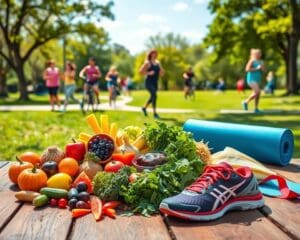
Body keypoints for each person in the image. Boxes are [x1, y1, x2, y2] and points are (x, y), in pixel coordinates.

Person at [139, 49, 165, 119]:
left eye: (156, 53)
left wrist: (162, 72)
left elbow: (161, 73)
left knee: (153, 96)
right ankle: (155, 113)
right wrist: (148, 73)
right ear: (150, 54)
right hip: (148, 82)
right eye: (153, 53)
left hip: (155, 82)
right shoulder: (147, 62)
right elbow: (140, 71)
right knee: (154, 95)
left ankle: (144, 108)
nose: (155, 55)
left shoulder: (158, 62)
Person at [243, 49, 265, 113]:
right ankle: (245, 101)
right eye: (258, 53)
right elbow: (247, 69)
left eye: (260, 53)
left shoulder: (261, 62)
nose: (259, 54)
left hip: (257, 79)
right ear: (254, 54)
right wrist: (256, 68)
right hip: (251, 79)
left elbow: (263, 71)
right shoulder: (252, 60)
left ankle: (256, 108)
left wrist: (262, 68)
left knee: (257, 94)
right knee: (257, 91)